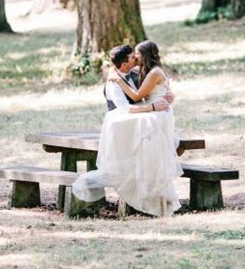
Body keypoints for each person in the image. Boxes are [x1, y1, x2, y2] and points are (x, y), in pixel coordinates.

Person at [72, 41, 182, 217]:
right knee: (141, 136)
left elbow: (142, 93)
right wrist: (155, 103)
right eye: (132, 57)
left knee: (148, 137)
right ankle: (140, 188)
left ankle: (155, 194)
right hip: (138, 113)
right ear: (124, 64)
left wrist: (168, 95)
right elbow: (128, 105)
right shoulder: (124, 75)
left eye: (136, 55)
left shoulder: (142, 71)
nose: (135, 58)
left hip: (156, 113)